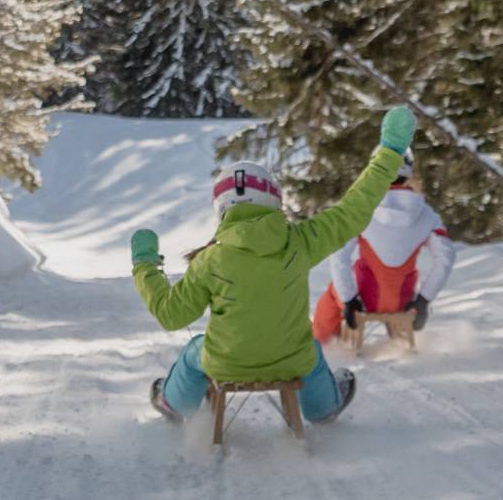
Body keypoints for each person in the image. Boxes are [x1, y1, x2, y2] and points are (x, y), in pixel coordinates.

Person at [131, 106, 416, 427]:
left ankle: (173, 403)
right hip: (290, 360)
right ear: (272, 199)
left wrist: (145, 266)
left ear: (222, 208)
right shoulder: (300, 241)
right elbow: (354, 209)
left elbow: (171, 315)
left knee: (196, 349)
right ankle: (323, 409)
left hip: (226, 364)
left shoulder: (210, 260)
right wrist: (390, 153)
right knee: (307, 349)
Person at [310, 149, 455, 344]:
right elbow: (445, 258)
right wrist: (424, 300)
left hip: (364, 298)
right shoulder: (428, 215)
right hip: (403, 301)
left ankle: (322, 344)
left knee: (330, 297)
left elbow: (339, 255)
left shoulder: (362, 210)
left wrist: (349, 299)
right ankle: (400, 342)